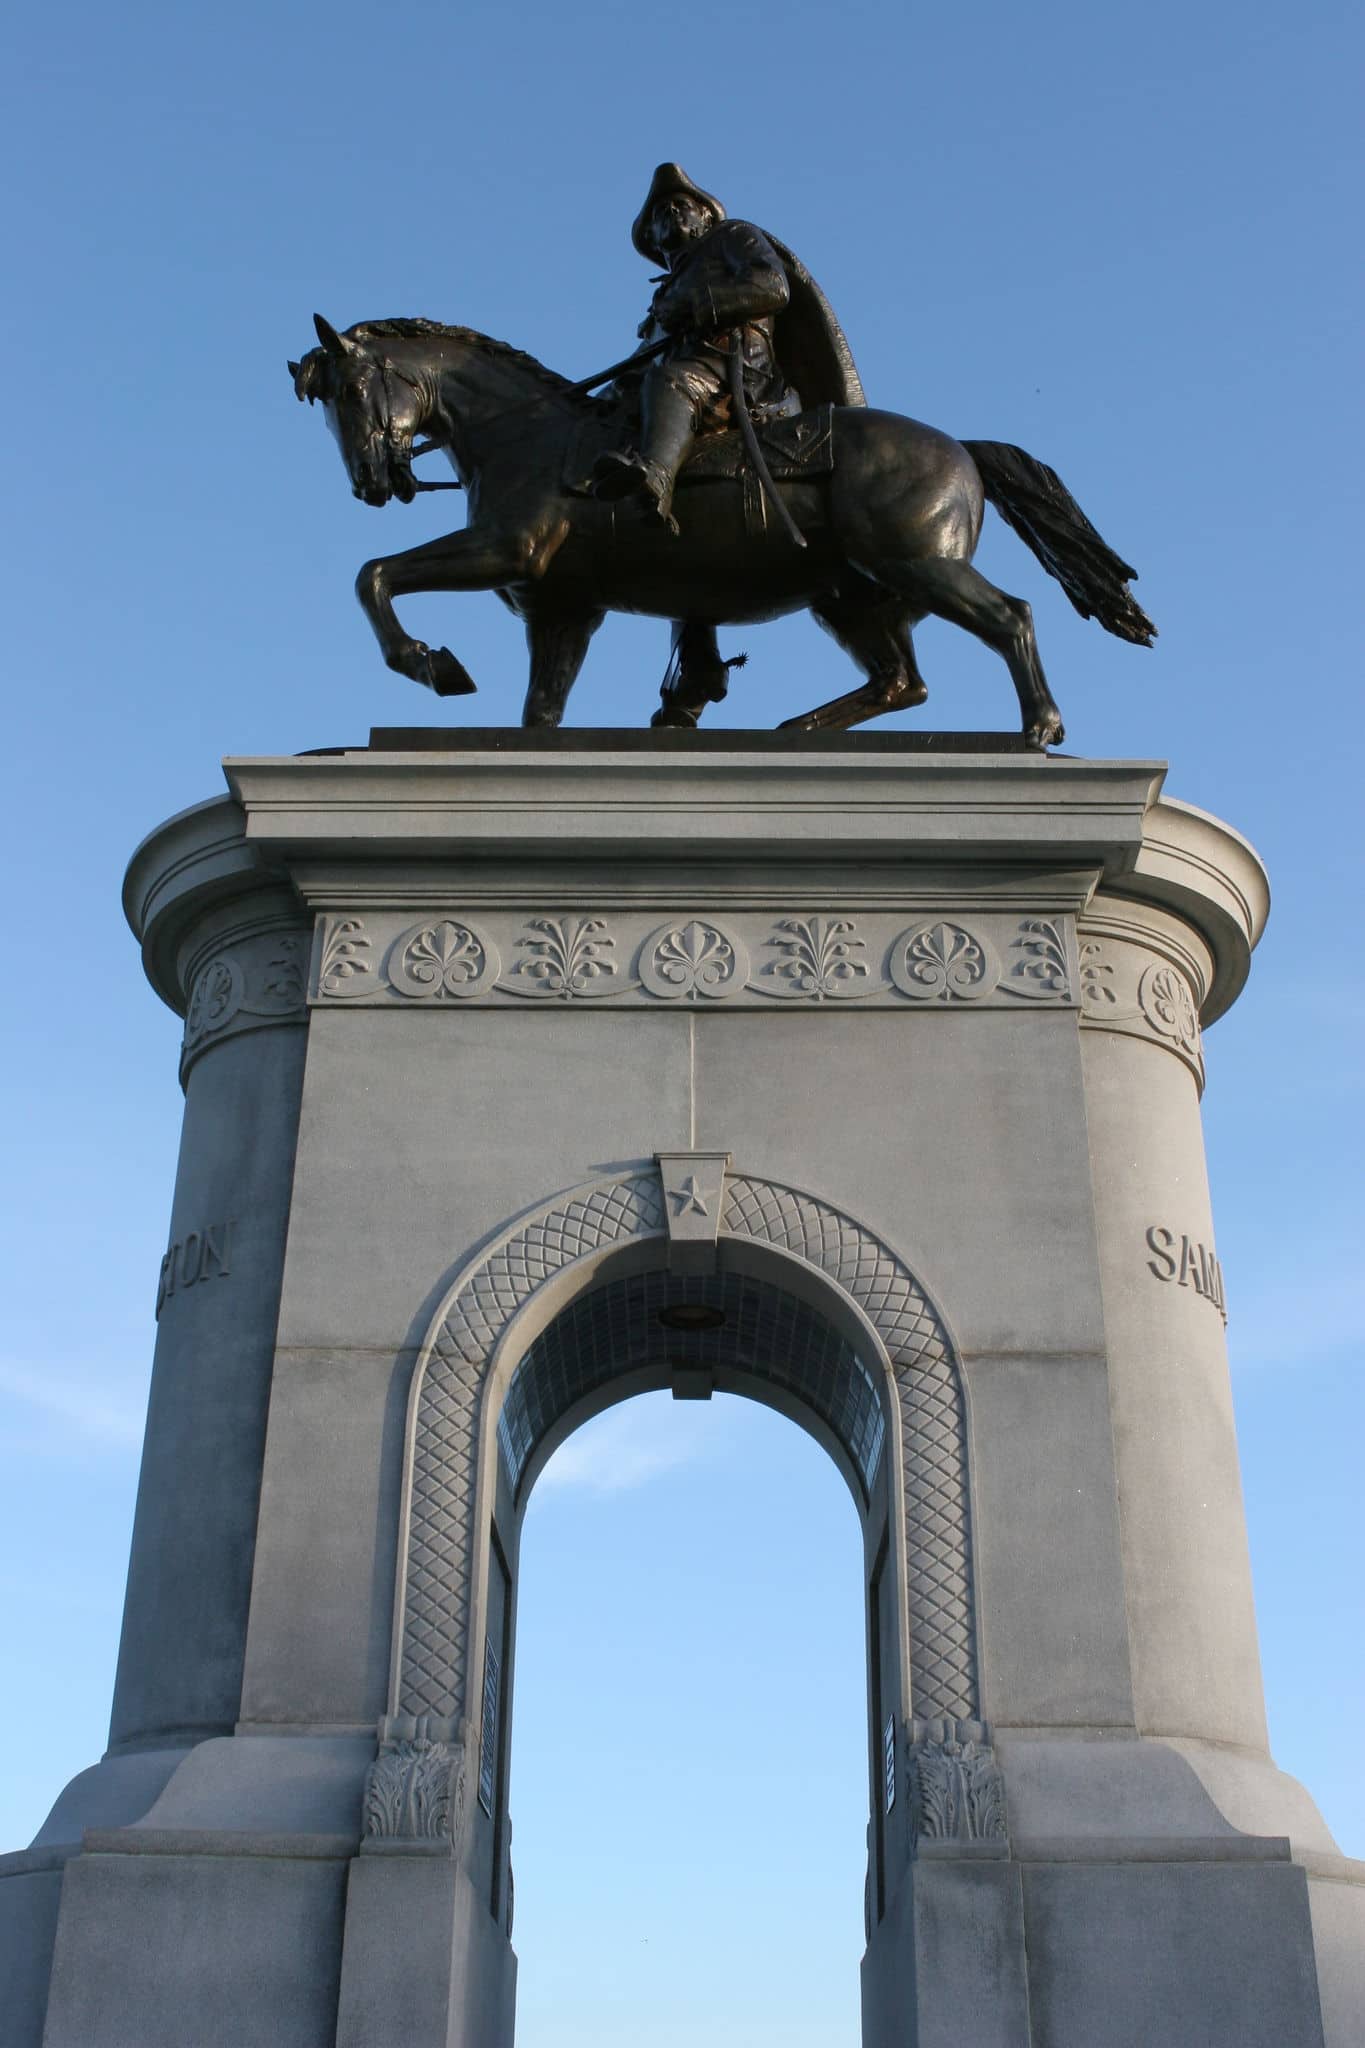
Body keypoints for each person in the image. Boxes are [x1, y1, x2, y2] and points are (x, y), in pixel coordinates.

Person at [591, 163, 865, 529]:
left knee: (671, 380)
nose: (671, 211)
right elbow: (639, 364)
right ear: (654, 239)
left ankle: (656, 477)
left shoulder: (733, 237)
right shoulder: (662, 298)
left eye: (681, 205)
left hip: (739, 371)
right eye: (659, 213)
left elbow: (772, 287)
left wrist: (695, 304)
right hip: (689, 374)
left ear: (705, 217)